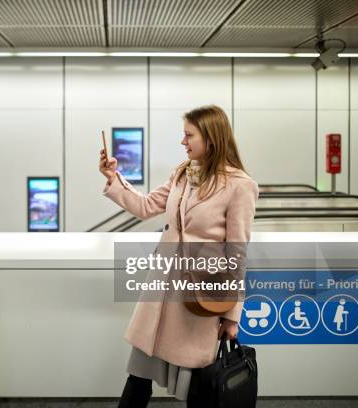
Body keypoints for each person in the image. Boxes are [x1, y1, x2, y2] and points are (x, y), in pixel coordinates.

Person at [98, 105, 259, 407]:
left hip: (199, 297)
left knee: (197, 383)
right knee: (138, 373)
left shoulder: (240, 186)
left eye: (188, 135)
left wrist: (232, 315)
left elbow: (237, 254)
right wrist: (113, 176)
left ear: (210, 139)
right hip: (161, 292)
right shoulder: (182, 175)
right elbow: (146, 206)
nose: (182, 142)